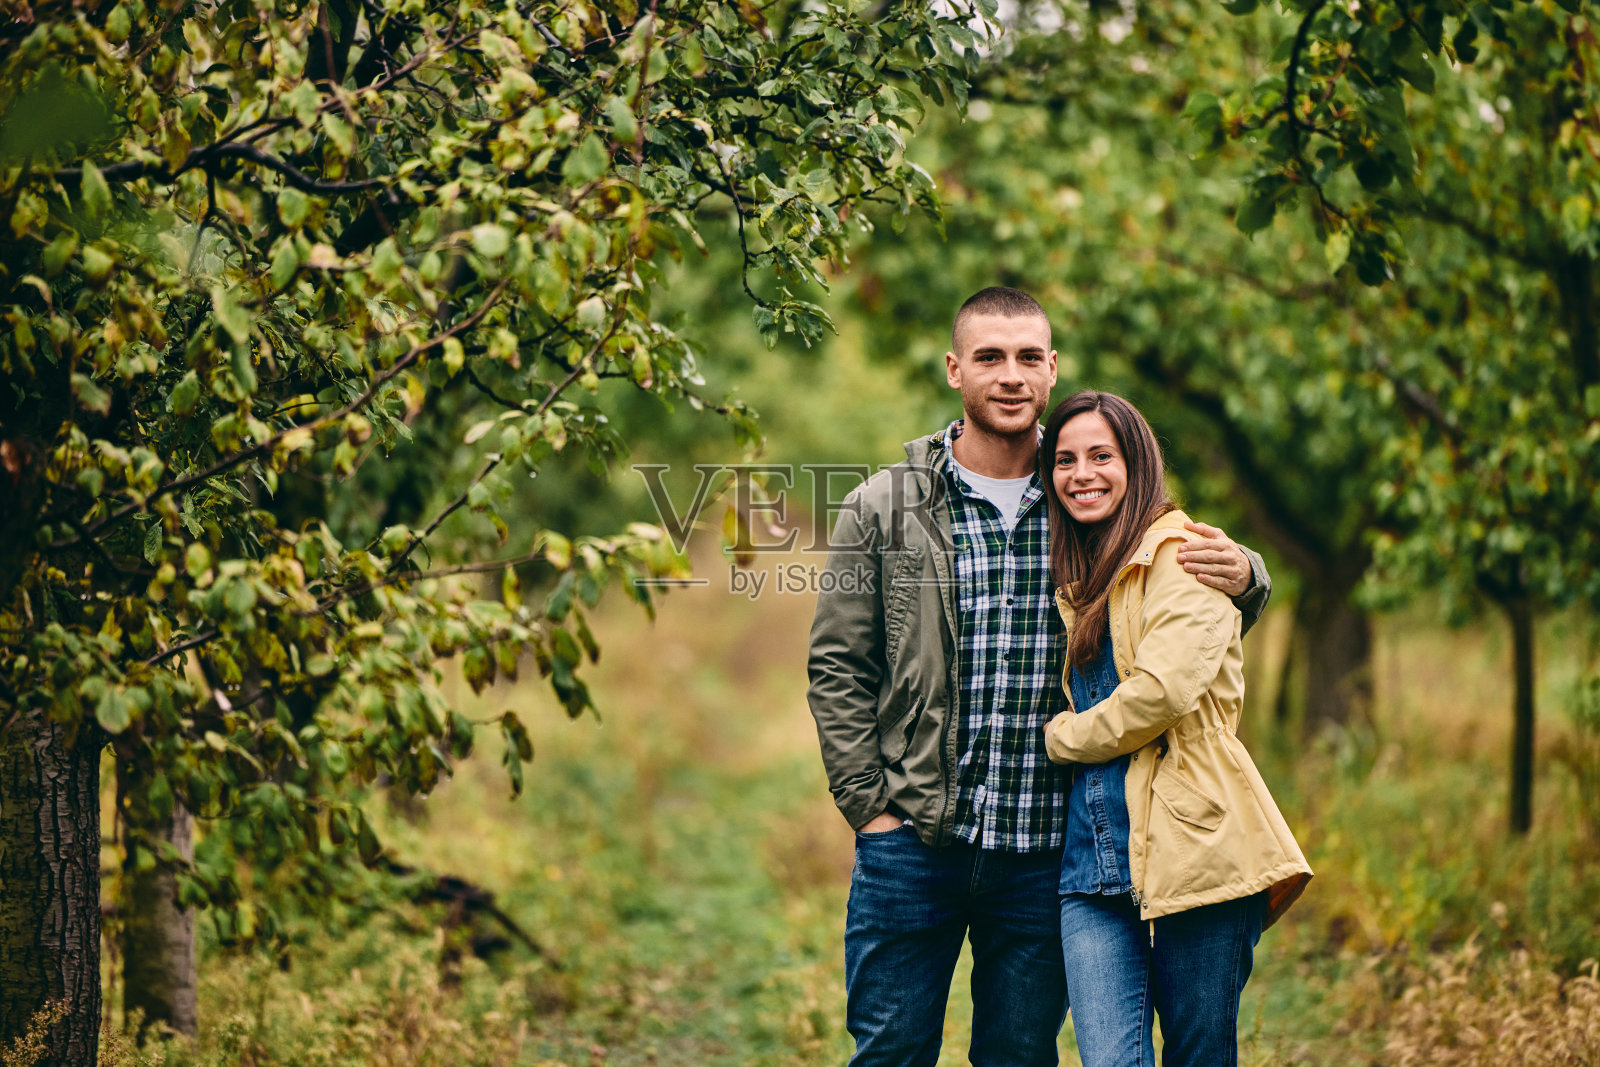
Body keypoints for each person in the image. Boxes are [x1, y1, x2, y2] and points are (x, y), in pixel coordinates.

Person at [806, 287, 1274, 1066]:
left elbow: (1172, 570)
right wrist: (868, 808)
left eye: (1029, 356)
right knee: (890, 1048)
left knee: (1019, 1054)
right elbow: (838, 666)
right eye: (989, 356)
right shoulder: (885, 504)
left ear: (1052, 369)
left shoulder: (1084, 488)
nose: (1010, 374)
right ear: (956, 369)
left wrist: (1249, 572)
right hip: (914, 840)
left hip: (1042, 846)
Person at [1039, 390, 1312, 1067]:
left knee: (1198, 1052)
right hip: (1092, 860)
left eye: (1102, 455)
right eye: (1066, 460)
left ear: (1137, 463)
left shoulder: (1188, 556)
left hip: (1197, 846)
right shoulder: (1075, 576)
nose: (1083, 473)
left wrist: (1061, 738)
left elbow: (1162, 693)